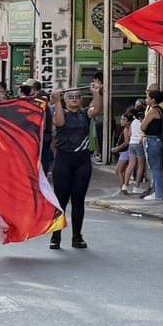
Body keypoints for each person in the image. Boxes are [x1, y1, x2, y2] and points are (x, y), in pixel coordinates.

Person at [47, 80, 102, 250]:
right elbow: (59, 123)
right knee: (61, 200)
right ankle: (56, 236)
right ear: (65, 99)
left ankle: (77, 236)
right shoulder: (61, 112)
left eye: (78, 96)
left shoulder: (85, 113)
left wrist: (96, 93)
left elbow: (97, 110)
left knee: (78, 200)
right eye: (71, 96)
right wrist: (56, 101)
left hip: (82, 161)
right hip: (63, 160)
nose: (75, 99)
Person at [142, 89, 163, 202]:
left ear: (153, 100)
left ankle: (159, 194)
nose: (146, 99)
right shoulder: (161, 110)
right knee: (157, 168)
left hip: (152, 140)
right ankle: (156, 191)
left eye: (148, 97)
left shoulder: (153, 111)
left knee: (156, 169)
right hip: (159, 141)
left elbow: (143, 127)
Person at [115, 105, 142, 195]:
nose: (121, 121)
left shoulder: (132, 124)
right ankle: (134, 186)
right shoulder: (140, 122)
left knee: (128, 166)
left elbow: (128, 137)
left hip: (130, 146)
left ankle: (124, 185)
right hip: (137, 144)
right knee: (139, 166)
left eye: (123, 119)